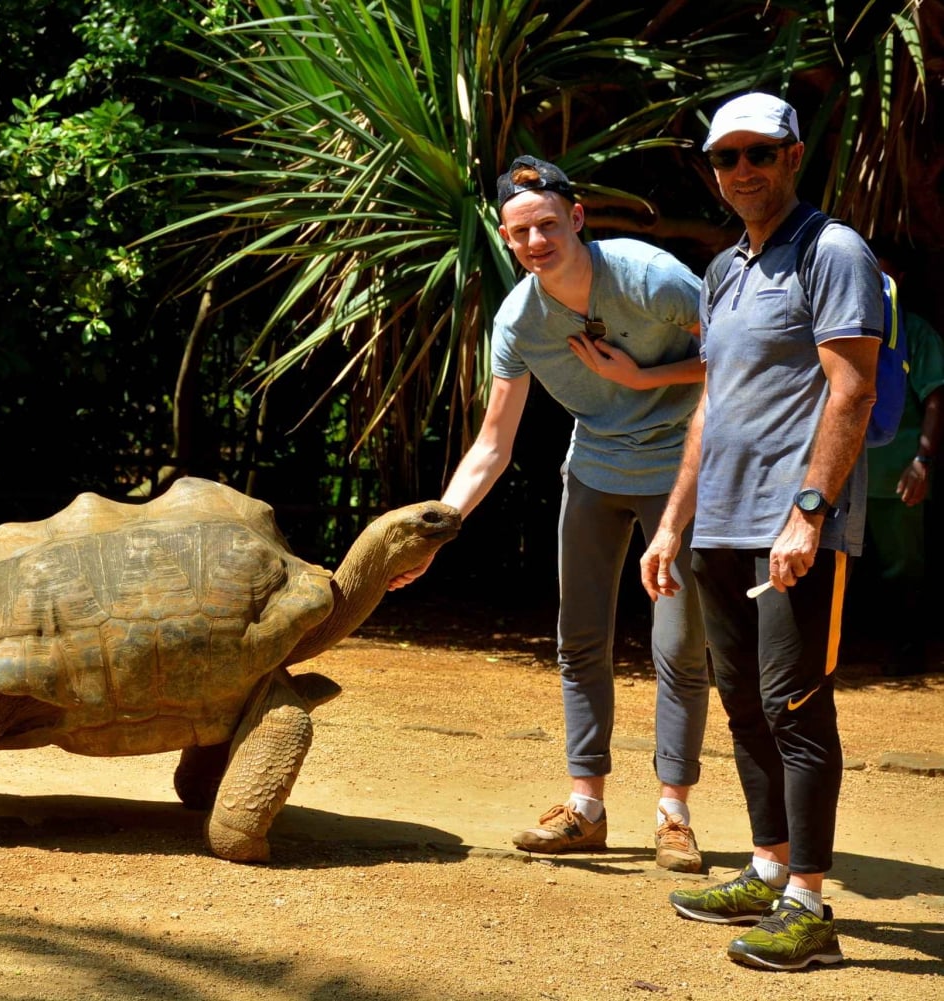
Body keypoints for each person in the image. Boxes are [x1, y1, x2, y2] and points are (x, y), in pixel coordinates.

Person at [392, 155, 711, 872]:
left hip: (678, 470)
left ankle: (674, 813)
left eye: (546, 224)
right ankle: (586, 806)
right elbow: (491, 445)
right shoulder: (519, 321)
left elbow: (738, 358)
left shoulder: (650, 276)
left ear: (576, 217)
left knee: (679, 641)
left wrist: (643, 377)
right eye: (520, 232)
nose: (536, 241)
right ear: (507, 242)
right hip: (595, 467)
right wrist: (430, 536)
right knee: (580, 638)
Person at [640, 92, 883, 971]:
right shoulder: (726, 268)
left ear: (790, 155)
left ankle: (810, 906)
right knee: (741, 700)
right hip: (719, 524)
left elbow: (851, 389)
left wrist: (809, 511)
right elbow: (712, 404)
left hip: (793, 525)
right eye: (724, 157)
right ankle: (767, 864)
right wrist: (672, 523)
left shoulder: (833, 251)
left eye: (756, 153)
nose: (740, 170)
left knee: (796, 705)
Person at [856, 239, 944, 676]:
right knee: (847, 566)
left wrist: (922, 462)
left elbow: (935, 397)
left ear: (901, 280)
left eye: (884, 276)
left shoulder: (915, 331)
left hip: (896, 474)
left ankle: (906, 652)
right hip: (845, 475)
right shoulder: (841, 330)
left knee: (903, 567)